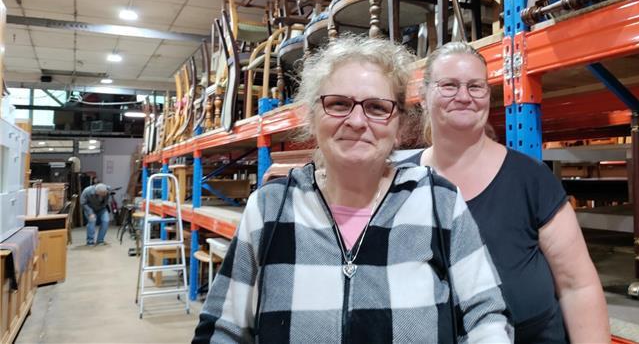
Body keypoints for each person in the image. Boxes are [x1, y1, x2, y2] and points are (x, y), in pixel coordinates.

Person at [194, 36, 511, 343]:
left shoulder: (438, 200)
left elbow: (486, 317)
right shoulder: (269, 209)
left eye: (376, 107)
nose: (357, 121)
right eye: (339, 104)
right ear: (312, 116)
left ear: (399, 125)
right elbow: (223, 330)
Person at [408, 42, 610, 343]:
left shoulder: (530, 178)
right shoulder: (402, 181)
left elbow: (577, 285)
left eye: (475, 86)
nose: (464, 97)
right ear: (423, 97)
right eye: (449, 85)